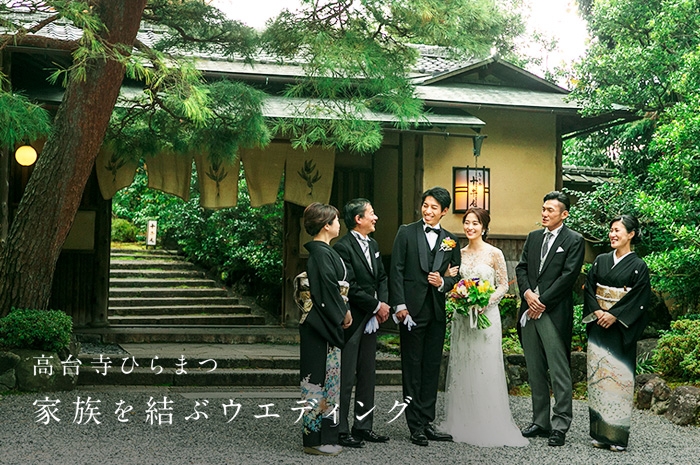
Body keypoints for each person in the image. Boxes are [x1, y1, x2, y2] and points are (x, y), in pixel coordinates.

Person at [439, 208, 529, 447]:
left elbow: (503, 286)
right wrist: (458, 295)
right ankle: (463, 420)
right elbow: (453, 283)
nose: (470, 227)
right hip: (462, 317)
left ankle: (488, 420)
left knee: (485, 364)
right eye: (467, 223)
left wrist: (484, 302)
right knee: (464, 363)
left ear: (484, 227)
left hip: (486, 316)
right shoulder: (459, 253)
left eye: (475, 223)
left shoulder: (495, 253)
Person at [390, 186, 461, 447]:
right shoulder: (406, 232)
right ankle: (415, 425)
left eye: (434, 207)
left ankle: (427, 421)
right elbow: (396, 270)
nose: (428, 211)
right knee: (412, 367)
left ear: (444, 211)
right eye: (425, 205)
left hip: (436, 312)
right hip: (411, 310)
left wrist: (443, 281)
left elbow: (457, 275)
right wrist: (399, 305)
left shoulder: (451, 240)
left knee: (432, 367)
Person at [515, 191, 585, 447]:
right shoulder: (534, 237)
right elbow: (522, 267)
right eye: (543, 209)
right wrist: (527, 294)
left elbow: (569, 276)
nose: (544, 214)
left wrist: (542, 301)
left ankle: (560, 424)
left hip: (553, 312)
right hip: (529, 309)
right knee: (534, 368)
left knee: (558, 371)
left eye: (550, 210)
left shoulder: (574, 240)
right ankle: (540, 421)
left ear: (564, 214)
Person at [583, 215, 650, 452]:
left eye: (617, 230)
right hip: (599, 325)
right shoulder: (600, 260)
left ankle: (617, 437)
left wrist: (614, 315)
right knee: (598, 380)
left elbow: (639, 299)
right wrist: (597, 311)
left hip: (620, 329)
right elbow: (589, 288)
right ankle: (600, 433)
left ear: (631, 234)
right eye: (611, 230)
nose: (612, 234)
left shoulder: (639, 266)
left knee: (618, 380)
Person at [333, 199, 391, 448]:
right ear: (358, 219)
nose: (375, 217)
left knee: (368, 374)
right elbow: (350, 286)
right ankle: (340, 429)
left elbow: (382, 277)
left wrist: (383, 305)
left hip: (373, 318)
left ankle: (363, 426)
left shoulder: (374, 244)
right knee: (346, 376)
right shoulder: (342, 247)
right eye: (371, 213)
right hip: (353, 318)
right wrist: (376, 306)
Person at [299, 202, 353, 456]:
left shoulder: (325, 252)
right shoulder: (321, 254)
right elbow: (328, 290)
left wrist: (343, 308)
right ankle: (314, 440)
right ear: (325, 225)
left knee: (328, 380)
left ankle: (326, 437)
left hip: (324, 319)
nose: (339, 224)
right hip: (319, 324)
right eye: (336, 220)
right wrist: (342, 312)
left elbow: (333, 288)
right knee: (316, 381)